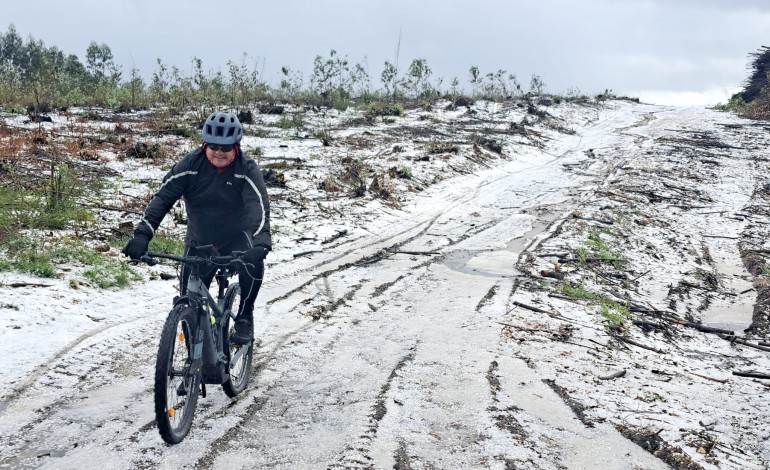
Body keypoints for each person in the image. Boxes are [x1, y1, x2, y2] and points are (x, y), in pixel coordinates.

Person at [123, 111, 271, 344]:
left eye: (226, 147)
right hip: (200, 240)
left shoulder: (247, 169)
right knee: (187, 304)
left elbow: (258, 208)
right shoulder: (190, 165)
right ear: (204, 144)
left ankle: (245, 315)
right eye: (214, 146)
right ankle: (194, 360)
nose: (219, 152)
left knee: (253, 264)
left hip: (237, 238)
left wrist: (261, 242)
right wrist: (143, 235)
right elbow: (162, 199)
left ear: (236, 146)